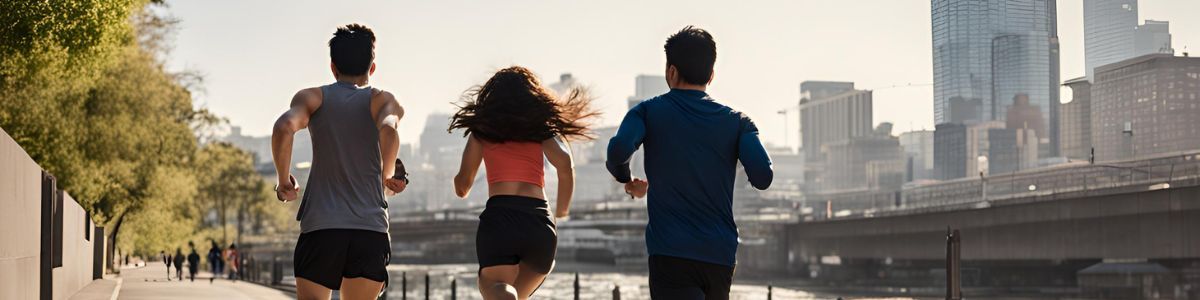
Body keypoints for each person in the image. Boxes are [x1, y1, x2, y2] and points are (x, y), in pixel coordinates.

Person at [605, 26, 773, 300]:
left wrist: (626, 180)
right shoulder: (738, 122)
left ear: (671, 71)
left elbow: (619, 151)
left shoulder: (647, 111)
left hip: (670, 252)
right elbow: (763, 176)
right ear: (711, 75)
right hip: (719, 255)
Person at [271, 23, 407, 300]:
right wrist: (388, 175)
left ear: (332, 67)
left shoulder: (312, 98)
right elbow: (390, 130)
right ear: (372, 68)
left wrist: (284, 183)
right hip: (369, 230)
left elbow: (284, 127)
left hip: (321, 229)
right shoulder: (382, 101)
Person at [450, 66, 597, 300]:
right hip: (539, 223)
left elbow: (463, 187)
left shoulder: (482, 131)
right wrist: (562, 212)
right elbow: (565, 165)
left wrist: (458, 181)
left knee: (496, 288)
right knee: (518, 295)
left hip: (501, 219)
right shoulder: (540, 129)